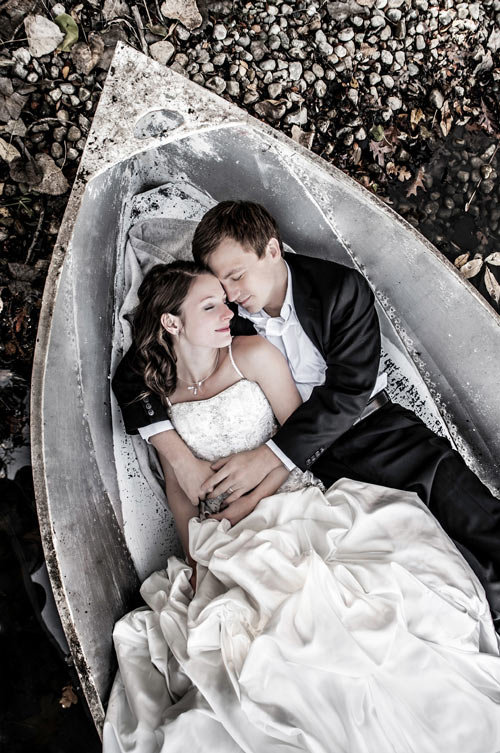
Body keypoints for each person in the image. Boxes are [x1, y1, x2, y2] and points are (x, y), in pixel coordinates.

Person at [104, 259, 500, 752]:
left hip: (287, 504)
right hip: (222, 537)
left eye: (226, 301)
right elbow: (177, 487)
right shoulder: (158, 389)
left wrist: (253, 496)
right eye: (211, 305)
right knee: (242, 640)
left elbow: (299, 449)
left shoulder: (254, 354)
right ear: (171, 322)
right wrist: (194, 557)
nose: (228, 311)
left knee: (327, 617)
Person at [113, 200, 500, 626]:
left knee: (478, 519)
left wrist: (269, 456)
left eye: (237, 276)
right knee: (443, 566)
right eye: (222, 285)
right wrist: (182, 462)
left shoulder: (339, 290)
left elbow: (349, 392)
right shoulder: (227, 319)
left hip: (376, 432)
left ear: (273, 251)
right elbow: (134, 376)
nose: (232, 295)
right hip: (322, 475)